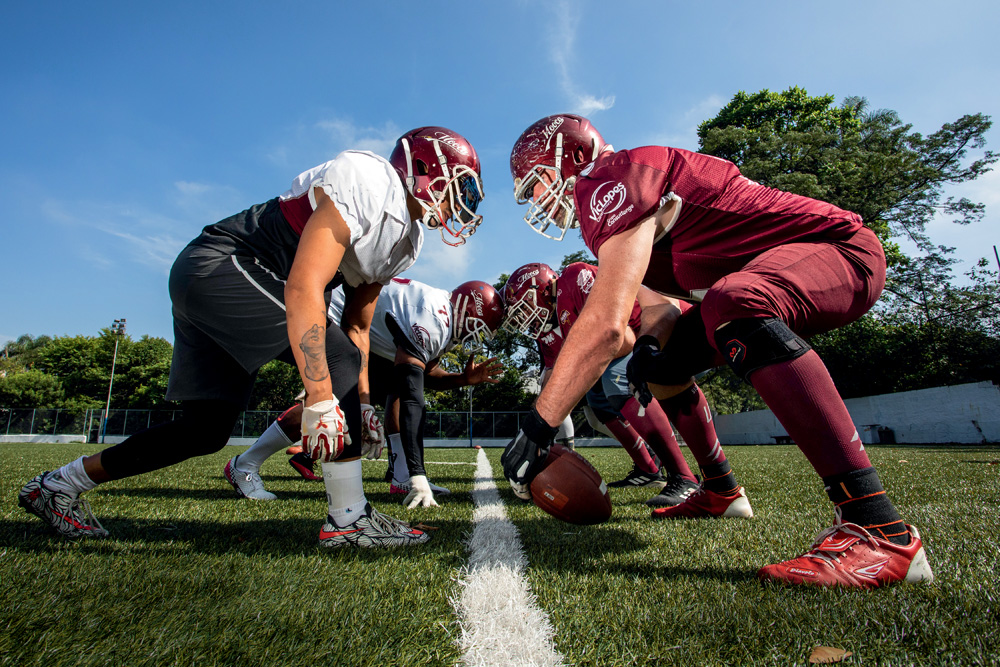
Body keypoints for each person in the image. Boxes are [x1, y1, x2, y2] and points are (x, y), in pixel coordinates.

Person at [501, 113, 933, 587]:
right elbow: (661, 311)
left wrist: (538, 427)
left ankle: (878, 527)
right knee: (666, 363)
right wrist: (647, 348)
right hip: (771, 274)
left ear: (577, 156)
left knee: (735, 301)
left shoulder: (608, 177)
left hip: (838, 248)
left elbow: (604, 325)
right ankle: (721, 490)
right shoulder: (616, 204)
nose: (538, 200)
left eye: (537, 182)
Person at [19, 127, 485, 549]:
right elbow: (304, 286)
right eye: (462, 186)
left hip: (229, 284)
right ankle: (348, 519)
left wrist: (362, 405)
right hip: (222, 265)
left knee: (205, 430)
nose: (463, 201)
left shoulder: (406, 242)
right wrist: (322, 397)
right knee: (334, 360)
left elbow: (359, 327)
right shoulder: (369, 178)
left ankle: (60, 484)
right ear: (425, 168)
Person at [224, 277, 505, 508]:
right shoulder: (433, 320)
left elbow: (424, 375)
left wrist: (463, 379)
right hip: (333, 316)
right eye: (476, 329)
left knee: (395, 385)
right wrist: (421, 474)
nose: (475, 338)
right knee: (338, 401)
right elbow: (412, 398)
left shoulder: (445, 317)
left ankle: (402, 476)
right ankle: (245, 464)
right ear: (466, 311)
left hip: (363, 334)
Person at [502, 261, 712, 508]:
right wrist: (533, 432)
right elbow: (554, 380)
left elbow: (621, 339)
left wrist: (579, 364)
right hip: (627, 347)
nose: (525, 317)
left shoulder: (575, 278)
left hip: (662, 331)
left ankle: (683, 476)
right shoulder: (547, 332)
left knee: (617, 380)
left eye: (525, 306)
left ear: (544, 289)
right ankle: (649, 468)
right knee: (597, 403)